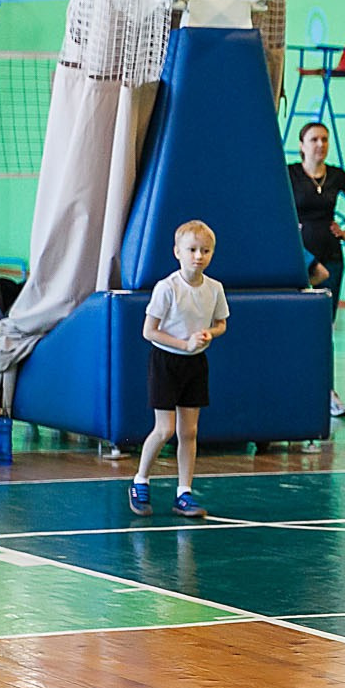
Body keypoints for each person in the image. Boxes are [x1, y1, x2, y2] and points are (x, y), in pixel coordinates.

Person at [130, 221, 229, 520]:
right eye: (192, 250)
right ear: (178, 252)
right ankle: (140, 481)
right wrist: (182, 344)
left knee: (189, 431)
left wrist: (210, 334)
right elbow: (149, 331)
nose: (198, 256)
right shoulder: (167, 288)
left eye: (205, 251)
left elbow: (221, 323)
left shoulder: (214, 289)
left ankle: (183, 492)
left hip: (195, 363)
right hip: (165, 362)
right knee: (165, 429)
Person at [287, 121, 345, 419]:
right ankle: (295, 387)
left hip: (331, 257)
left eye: (324, 139)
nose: (319, 144)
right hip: (299, 259)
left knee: (325, 327)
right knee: (296, 325)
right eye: (313, 139)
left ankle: (327, 390)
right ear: (302, 144)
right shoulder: (290, 173)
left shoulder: (336, 175)